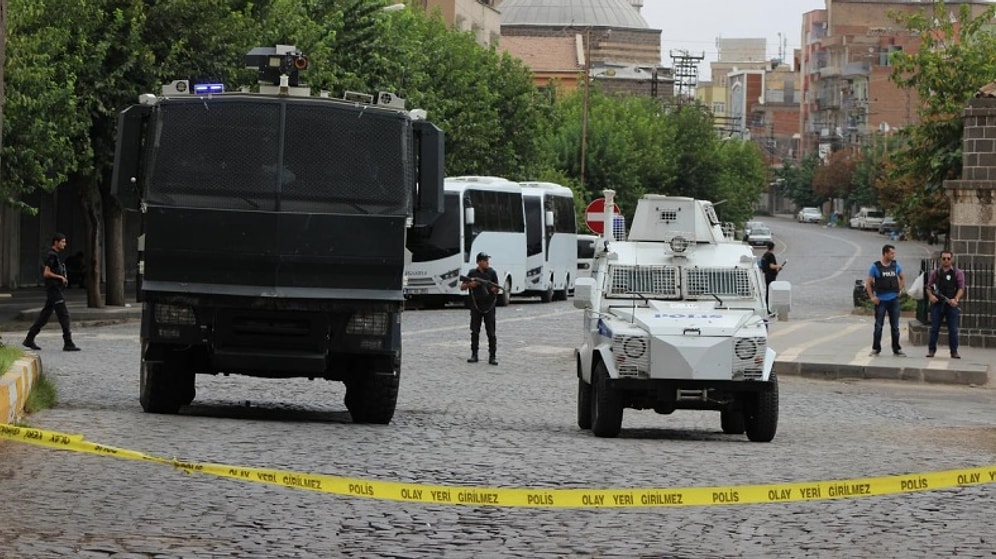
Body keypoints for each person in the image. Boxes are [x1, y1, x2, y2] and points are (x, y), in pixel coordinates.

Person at [23, 233, 81, 351]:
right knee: (64, 315)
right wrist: (60, 278)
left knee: (44, 316)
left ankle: (29, 339)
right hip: (54, 290)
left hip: (55, 290)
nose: (65, 244)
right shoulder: (51, 255)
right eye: (63, 242)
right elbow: (46, 273)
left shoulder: (54, 255)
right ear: (56, 242)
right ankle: (68, 342)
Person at [865, 244, 906, 357]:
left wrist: (900, 289)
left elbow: (903, 277)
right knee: (878, 326)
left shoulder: (895, 265)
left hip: (894, 300)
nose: (894, 255)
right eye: (891, 253)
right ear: (885, 253)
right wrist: (872, 297)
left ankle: (896, 349)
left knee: (895, 326)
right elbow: (868, 282)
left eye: (894, 253)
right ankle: (876, 349)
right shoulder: (875, 267)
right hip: (881, 300)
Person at [460, 252, 500, 365]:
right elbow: (462, 286)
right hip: (476, 306)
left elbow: (497, 288)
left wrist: (493, 289)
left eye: (487, 260)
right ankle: (474, 354)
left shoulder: (492, 273)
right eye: (485, 260)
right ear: (479, 262)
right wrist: (470, 285)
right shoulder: (472, 273)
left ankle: (492, 356)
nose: (487, 262)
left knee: (491, 332)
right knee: (475, 331)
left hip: (489, 306)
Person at [926, 250, 966, 359]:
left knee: (953, 329)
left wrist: (956, 299)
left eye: (948, 258)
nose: (946, 261)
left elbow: (961, 288)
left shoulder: (958, 273)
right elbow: (929, 287)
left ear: (952, 259)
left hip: (951, 304)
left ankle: (954, 351)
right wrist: (931, 296)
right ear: (940, 259)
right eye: (944, 258)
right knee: (934, 328)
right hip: (938, 304)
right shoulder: (935, 272)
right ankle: (931, 350)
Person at [760, 241, 783, 311]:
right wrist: (779, 266)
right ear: (773, 247)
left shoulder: (765, 255)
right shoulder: (771, 255)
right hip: (770, 275)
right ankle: (769, 309)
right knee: (770, 292)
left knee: (768, 291)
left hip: (766, 275)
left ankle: (766, 307)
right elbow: (771, 266)